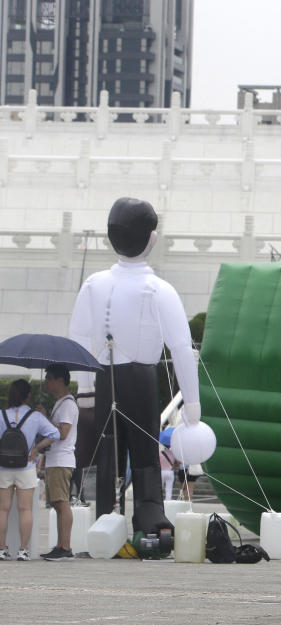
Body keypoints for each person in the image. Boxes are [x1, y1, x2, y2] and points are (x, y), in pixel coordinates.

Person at [69, 197, 204, 534]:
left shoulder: (93, 284)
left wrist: (84, 387)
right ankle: (148, 517)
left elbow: (79, 337)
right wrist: (192, 400)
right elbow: (182, 349)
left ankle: (104, 518)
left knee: (107, 453)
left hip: (104, 377)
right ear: (151, 238)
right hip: (141, 377)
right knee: (145, 452)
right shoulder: (159, 289)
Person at [0, 379, 60, 561]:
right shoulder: (35, 416)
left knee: (3, 509)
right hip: (26, 466)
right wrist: (35, 449)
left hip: (3, 467)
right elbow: (55, 434)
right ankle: (23, 550)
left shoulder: (1, 414)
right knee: (25, 509)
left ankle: (1, 549)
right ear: (28, 395)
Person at [37, 364, 79, 562]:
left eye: (49, 378)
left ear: (60, 380)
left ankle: (65, 547)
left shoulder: (68, 404)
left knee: (62, 503)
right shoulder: (60, 403)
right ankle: (60, 545)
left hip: (62, 459)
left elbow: (62, 433)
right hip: (56, 459)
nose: (46, 383)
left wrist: (44, 419)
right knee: (57, 503)